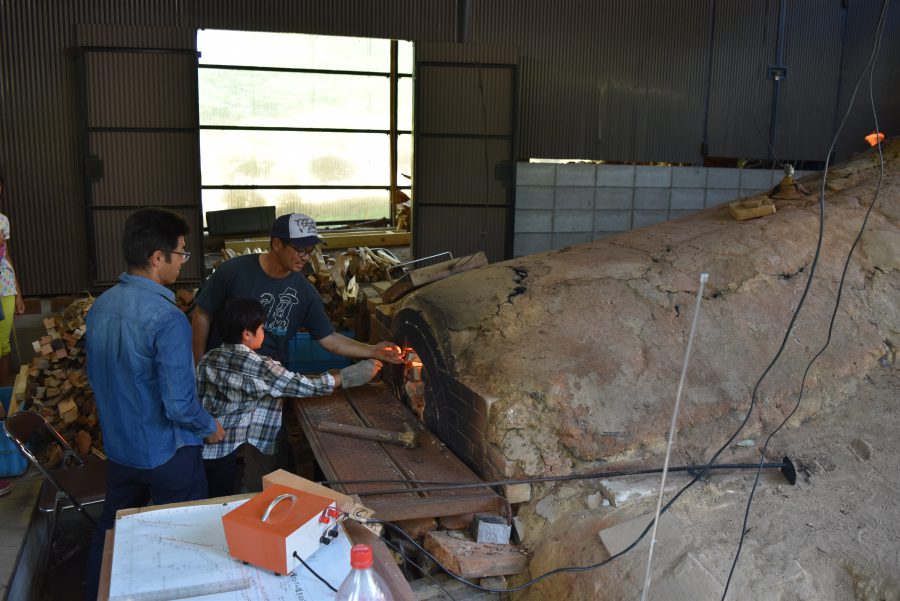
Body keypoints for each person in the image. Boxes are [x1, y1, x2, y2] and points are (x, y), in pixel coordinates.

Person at [191, 213, 405, 479]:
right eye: (300, 249)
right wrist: (199, 363)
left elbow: (329, 339)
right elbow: (202, 313)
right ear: (277, 244)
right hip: (224, 387)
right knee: (216, 457)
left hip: (267, 390)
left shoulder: (304, 291)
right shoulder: (233, 272)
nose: (306, 256)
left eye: (311, 250)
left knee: (266, 465)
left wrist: (371, 350)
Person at [84, 208, 224, 601]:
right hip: (168, 454)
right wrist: (208, 424)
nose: (183, 262)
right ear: (157, 257)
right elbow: (180, 405)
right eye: (181, 253)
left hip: (120, 449)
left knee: (113, 530)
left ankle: (100, 592)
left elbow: (96, 377)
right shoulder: (167, 318)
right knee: (181, 537)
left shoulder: (101, 307)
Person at [200, 297, 382, 497]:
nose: (264, 332)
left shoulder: (209, 357)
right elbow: (306, 387)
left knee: (217, 493)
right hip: (243, 440)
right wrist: (348, 376)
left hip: (213, 441)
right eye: (261, 328)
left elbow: (199, 395)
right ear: (246, 334)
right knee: (251, 490)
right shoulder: (261, 366)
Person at [0, 175, 25, 500]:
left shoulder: (3, 219)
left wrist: (18, 291)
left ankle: (5, 405)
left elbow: (6, 257)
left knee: (4, 348)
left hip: (3, 286)